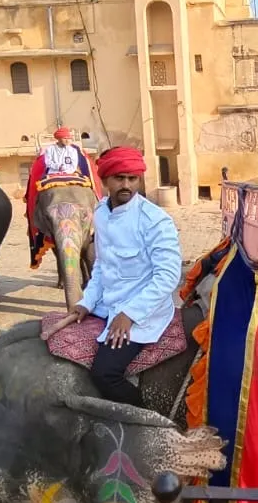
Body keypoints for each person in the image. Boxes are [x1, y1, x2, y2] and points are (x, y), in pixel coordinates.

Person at [40, 147, 181, 407]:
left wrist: (130, 314)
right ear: (105, 181)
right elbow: (102, 267)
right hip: (109, 305)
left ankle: (149, 422)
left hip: (144, 312)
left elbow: (168, 276)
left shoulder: (155, 221)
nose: (126, 185)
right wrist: (86, 302)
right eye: (119, 178)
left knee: (105, 374)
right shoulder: (102, 213)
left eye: (132, 178)